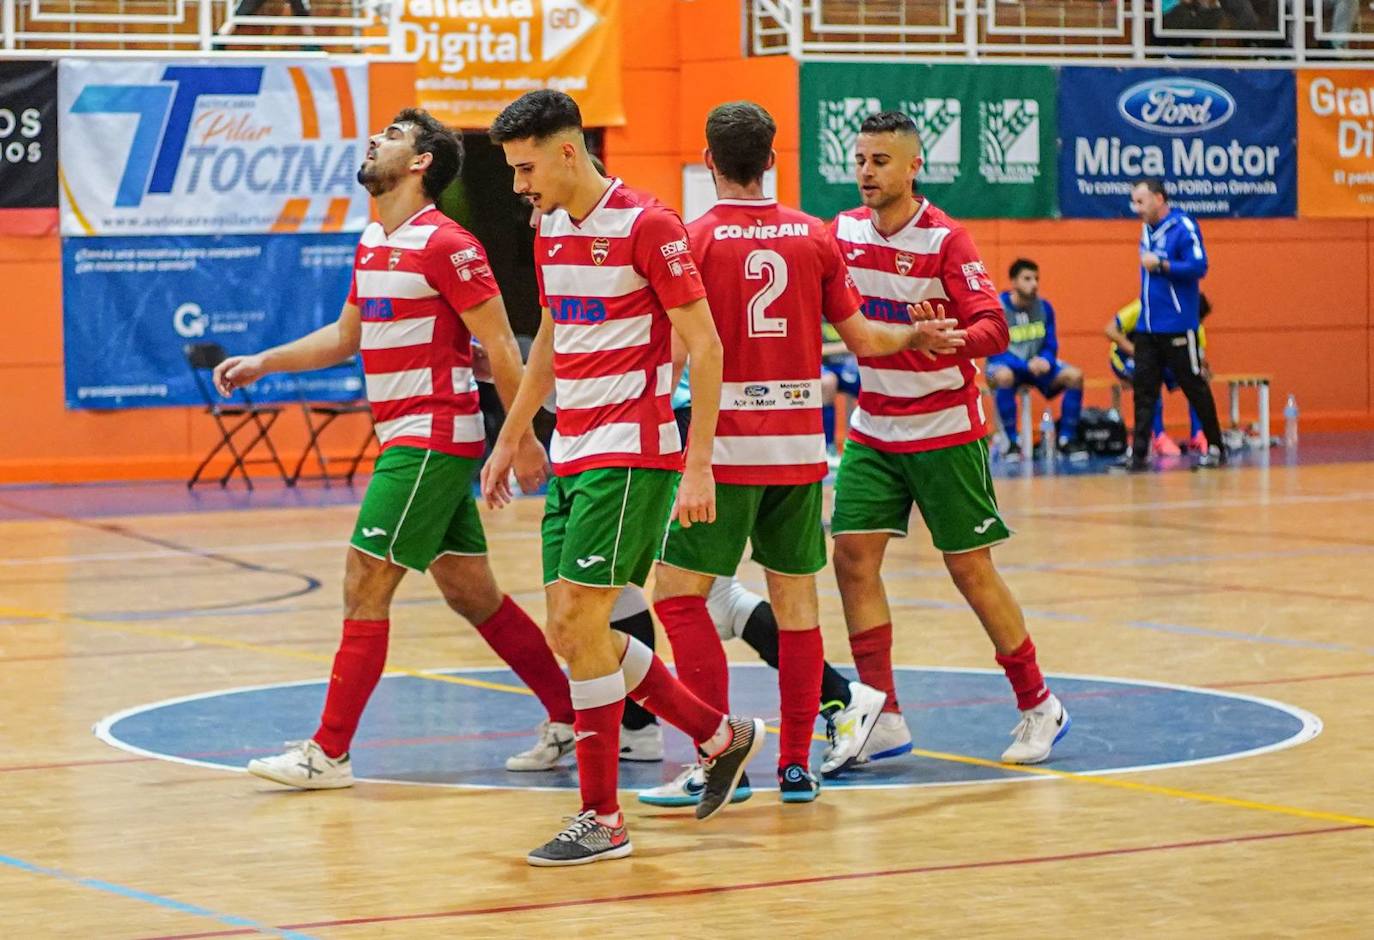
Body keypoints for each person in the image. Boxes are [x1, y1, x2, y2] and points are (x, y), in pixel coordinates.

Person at [214, 109, 578, 789]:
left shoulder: (448, 245)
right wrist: (266, 360)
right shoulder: (374, 238)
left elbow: (502, 344)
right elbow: (346, 336)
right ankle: (569, 715)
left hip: (432, 438)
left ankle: (329, 752)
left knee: (364, 580)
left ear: (420, 163)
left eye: (392, 136)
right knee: (473, 595)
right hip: (409, 438)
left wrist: (520, 438)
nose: (376, 140)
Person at [483, 90, 764, 867]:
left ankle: (602, 818)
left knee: (579, 623)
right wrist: (511, 438)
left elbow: (705, 349)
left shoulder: (650, 225)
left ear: (569, 151)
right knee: (576, 631)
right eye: (511, 171)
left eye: (527, 167)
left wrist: (699, 462)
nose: (519, 186)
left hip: (631, 452)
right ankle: (717, 733)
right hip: (572, 450)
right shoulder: (548, 228)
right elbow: (549, 340)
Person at [647, 101, 936, 804]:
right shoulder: (815, 237)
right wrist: (918, 337)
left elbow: (677, 355)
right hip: (802, 451)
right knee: (798, 605)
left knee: (679, 601)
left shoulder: (695, 240)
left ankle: (718, 757)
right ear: (773, 159)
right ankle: (798, 767)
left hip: (725, 452)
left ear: (710, 161)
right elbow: (866, 340)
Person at [823, 111, 1071, 776]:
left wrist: (957, 339)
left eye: (881, 161)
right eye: (861, 160)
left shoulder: (947, 241)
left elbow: (992, 324)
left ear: (913, 167)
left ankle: (1038, 701)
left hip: (945, 428)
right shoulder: (841, 232)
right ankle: (884, 713)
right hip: (875, 426)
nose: (868, 172)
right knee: (851, 559)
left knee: (969, 570)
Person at [1126, 178, 1225, 471]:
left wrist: (1163, 264)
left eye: (1141, 202)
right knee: (1144, 390)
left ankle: (1216, 446)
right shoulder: (1147, 229)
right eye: (1134, 202)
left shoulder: (1183, 226)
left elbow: (1199, 266)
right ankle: (1139, 454)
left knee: (1194, 386)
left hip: (1178, 325)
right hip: (1148, 327)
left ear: (1159, 199)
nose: (1136, 208)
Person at [986, 258, 1085, 460]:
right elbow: (995, 351)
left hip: (1038, 367)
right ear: (1013, 282)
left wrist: (1047, 360)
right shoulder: (997, 309)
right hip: (1006, 366)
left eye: (1036, 279)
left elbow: (1051, 343)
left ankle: (1066, 439)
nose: (1034, 284)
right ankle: (1012, 443)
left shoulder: (1045, 308)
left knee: (1075, 376)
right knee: (1003, 376)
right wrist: (1025, 365)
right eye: (1027, 279)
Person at [1107, 293, 1214, 456]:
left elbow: (1199, 358)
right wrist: (1138, 353)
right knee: (1150, 379)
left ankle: (1198, 434)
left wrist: (1203, 370)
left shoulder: (1193, 325)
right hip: (1125, 358)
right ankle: (1158, 436)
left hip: (1159, 360)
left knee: (1196, 379)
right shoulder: (1143, 307)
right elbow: (1110, 331)